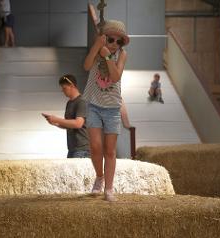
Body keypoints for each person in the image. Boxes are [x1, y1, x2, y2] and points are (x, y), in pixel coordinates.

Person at [83, 20, 129, 202]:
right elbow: (86, 66)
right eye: (111, 40)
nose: (114, 44)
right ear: (104, 38)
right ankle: (99, 176)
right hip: (93, 104)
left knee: (110, 150)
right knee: (95, 146)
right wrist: (97, 47)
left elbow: (116, 76)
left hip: (112, 109)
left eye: (119, 41)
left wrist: (108, 57)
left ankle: (109, 188)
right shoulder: (98, 51)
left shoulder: (122, 55)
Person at [43, 75, 90, 158]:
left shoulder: (82, 102)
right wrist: (55, 123)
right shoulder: (69, 103)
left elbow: (78, 124)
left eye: (64, 88)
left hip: (82, 149)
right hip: (72, 148)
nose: (62, 91)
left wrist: (57, 119)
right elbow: (69, 125)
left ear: (72, 86)